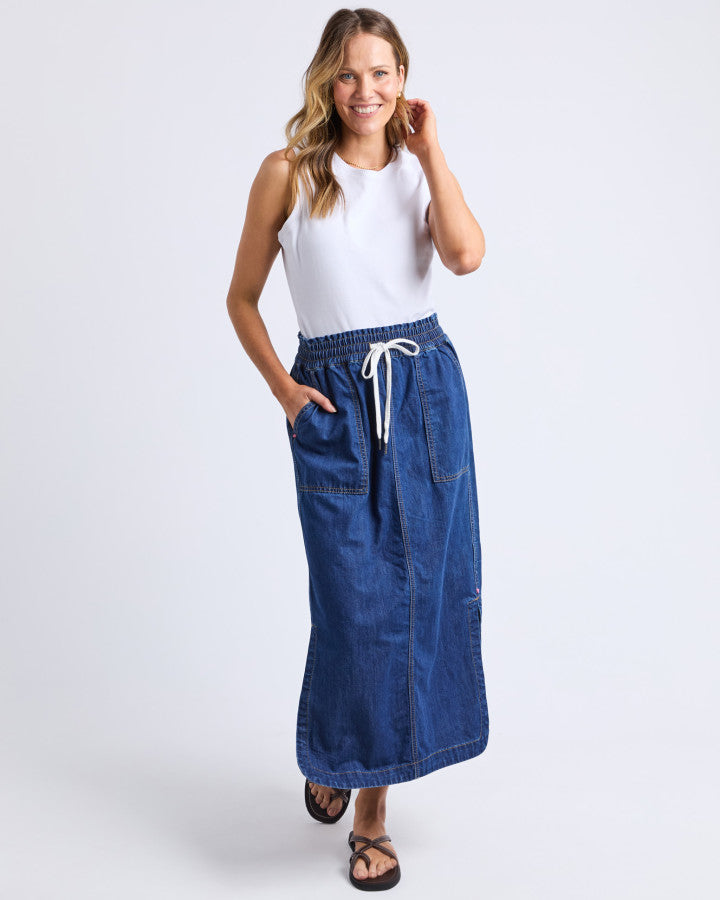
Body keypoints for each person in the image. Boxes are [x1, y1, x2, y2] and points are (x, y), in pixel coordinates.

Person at [226, 7, 489, 890]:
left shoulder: (421, 172)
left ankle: (371, 812)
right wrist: (287, 393)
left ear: (403, 82)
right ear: (324, 83)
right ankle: (336, 745)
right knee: (356, 606)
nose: (365, 90)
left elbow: (465, 256)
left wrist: (434, 152)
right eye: (348, 74)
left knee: (422, 598)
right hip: (336, 399)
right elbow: (242, 299)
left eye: (382, 73)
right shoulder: (288, 174)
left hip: (425, 392)